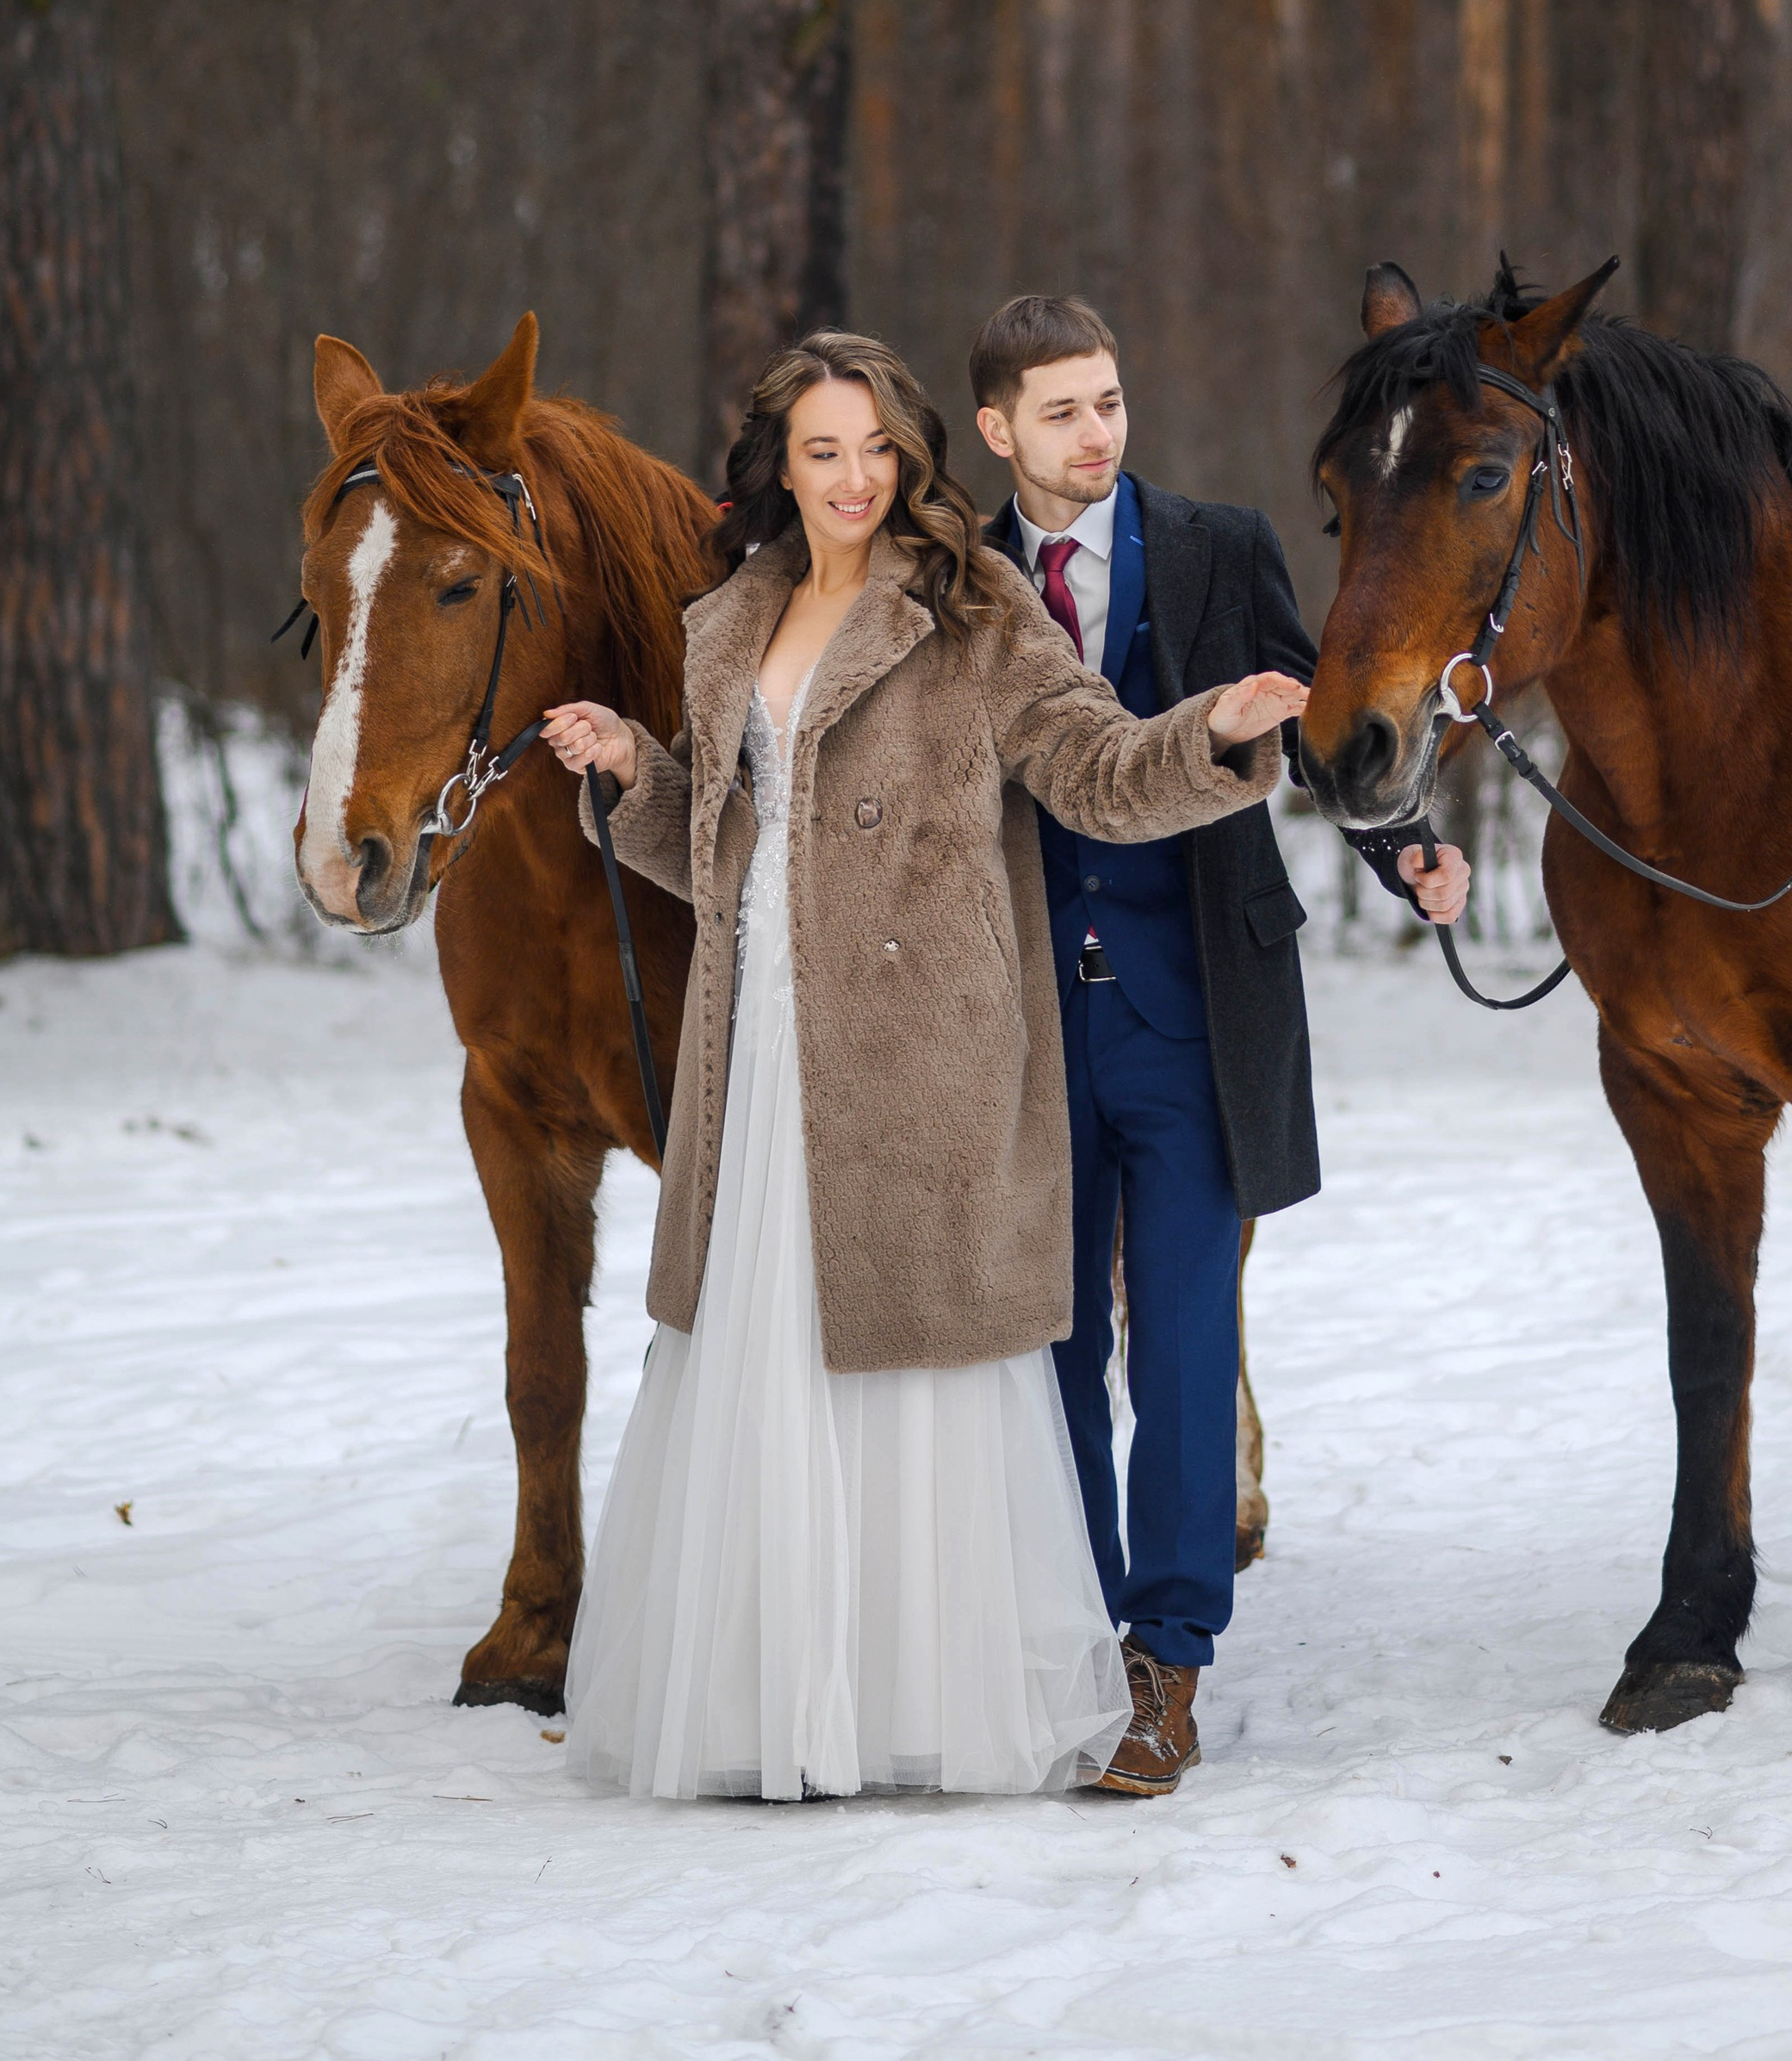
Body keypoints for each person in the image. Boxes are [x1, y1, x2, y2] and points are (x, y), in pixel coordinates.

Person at [537, 329, 1308, 1804]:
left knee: (912, 1375)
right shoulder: (724, 625)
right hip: (763, 1039)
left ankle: (921, 1695)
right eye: (821, 452)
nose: (851, 478)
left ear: (912, 456)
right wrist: (638, 775)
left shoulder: (969, 607)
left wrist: (1209, 734)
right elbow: (723, 845)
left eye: (874, 450)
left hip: (914, 1053)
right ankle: (777, 1697)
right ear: (780, 464)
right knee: (769, 1356)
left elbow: (1091, 766)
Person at [970, 292, 1469, 1797]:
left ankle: (1167, 1656)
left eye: (1111, 400)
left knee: (1185, 1340)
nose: (1097, 432)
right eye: (1061, 410)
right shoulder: (961, 582)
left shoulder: (1214, 545)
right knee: (1049, 1343)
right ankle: (1060, 1623)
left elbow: (1322, 731)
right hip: (1022, 1028)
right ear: (998, 431)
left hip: (1194, 1011)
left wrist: (1406, 850)